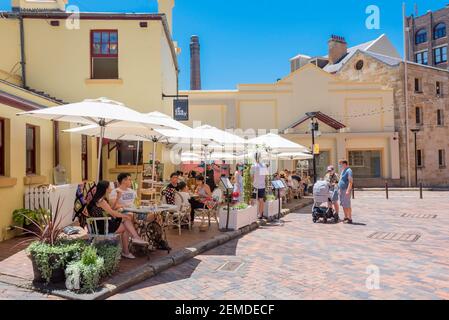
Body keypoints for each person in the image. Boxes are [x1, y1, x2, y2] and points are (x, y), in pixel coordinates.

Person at [87, 181, 148, 259]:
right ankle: (132, 243)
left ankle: (130, 246)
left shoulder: (98, 199)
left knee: (126, 223)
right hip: (103, 227)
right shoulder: (101, 201)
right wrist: (124, 216)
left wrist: (118, 198)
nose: (111, 188)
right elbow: (113, 213)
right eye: (109, 187)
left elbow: (111, 209)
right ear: (105, 189)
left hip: (100, 225)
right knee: (126, 222)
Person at [251, 152, 268, 219]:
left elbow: (252, 177)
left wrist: (253, 182)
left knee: (253, 199)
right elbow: (265, 177)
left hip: (255, 185)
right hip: (262, 185)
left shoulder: (253, 166)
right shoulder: (263, 165)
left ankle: (253, 214)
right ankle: (260, 214)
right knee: (261, 200)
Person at [338, 160, 354, 224]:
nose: (340, 165)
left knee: (347, 204)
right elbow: (341, 180)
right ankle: (346, 217)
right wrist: (339, 189)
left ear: (345, 164)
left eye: (341, 164)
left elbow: (350, 181)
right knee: (343, 204)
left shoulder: (349, 170)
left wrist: (348, 190)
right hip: (341, 190)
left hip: (345, 190)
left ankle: (350, 218)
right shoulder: (343, 171)